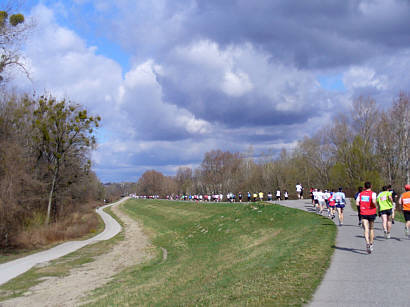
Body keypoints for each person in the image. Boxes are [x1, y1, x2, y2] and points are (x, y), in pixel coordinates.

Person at [356, 181, 377, 254]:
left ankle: (367, 243)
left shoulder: (360, 194)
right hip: (371, 212)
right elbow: (374, 201)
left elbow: (357, 203)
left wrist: (362, 206)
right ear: (371, 186)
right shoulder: (373, 194)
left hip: (363, 213)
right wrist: (375, 206)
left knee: (366, 229)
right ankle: (371, 244)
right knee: (371, 229)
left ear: (364, 186)